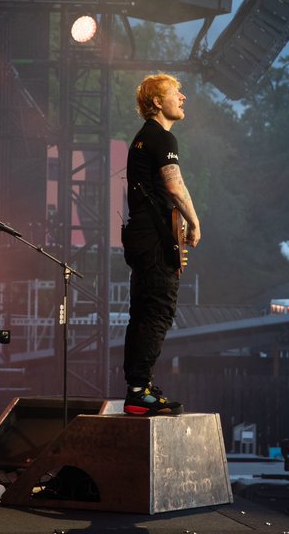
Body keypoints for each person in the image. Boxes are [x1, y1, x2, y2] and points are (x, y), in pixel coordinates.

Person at [120, 74, 201, 416]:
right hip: (153, 239)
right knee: (158, 311)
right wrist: (194, 221)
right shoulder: (161, 137)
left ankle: (138, 388)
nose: (183, 98)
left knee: (142, 313)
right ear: (157, 102)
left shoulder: (143, 138)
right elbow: (174, 186)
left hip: (142, 237)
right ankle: (139, 392)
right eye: (175, 93)